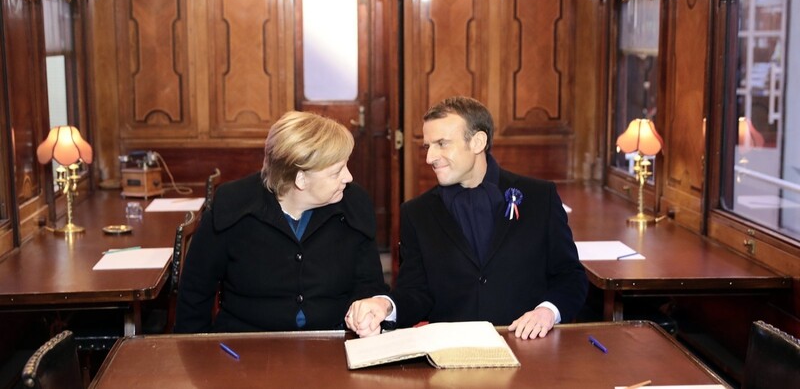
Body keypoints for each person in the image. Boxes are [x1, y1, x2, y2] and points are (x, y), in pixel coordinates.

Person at [345, 96, 588, 339]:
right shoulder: (416, 213)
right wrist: (385, 305)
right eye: (427, 146)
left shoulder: (540, 197)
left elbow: (570, 276)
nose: (430, 157)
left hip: (527, 346)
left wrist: (548, 311)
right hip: (451, 357)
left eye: (442, 143)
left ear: (478, 142)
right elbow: (416, 293)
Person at [175, 110, 388, 333]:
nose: (348, 177)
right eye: (336, 172)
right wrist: (196, 357)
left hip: (332, 343)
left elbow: (369, 284)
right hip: (246, 348)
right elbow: (195, 293)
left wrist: (367, 315)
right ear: (301, 179)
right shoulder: (232, 207)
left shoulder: (354, 203)